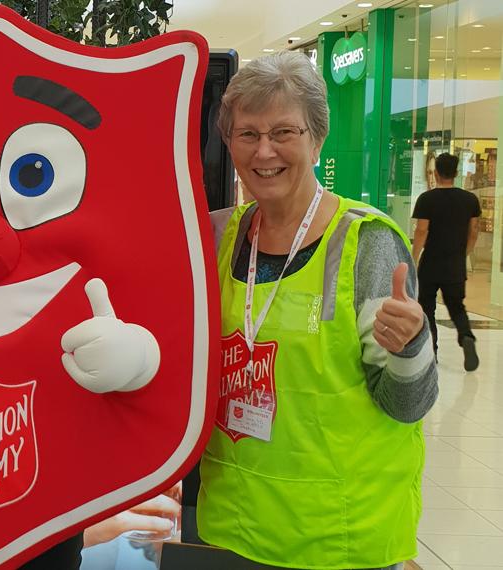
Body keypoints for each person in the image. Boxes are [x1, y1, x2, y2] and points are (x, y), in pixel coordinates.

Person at [198, 52, 438, 569]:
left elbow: (408, 404)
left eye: (284, 132)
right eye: (247, 134)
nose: (265, 152)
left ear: (317, 139)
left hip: (342, 534)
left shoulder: (366, 243)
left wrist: (411, 347)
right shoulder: (216, 235)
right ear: (229, 142)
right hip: (236, 523)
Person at [412, 151, 481, 371]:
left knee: (427, 308)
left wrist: (414, 258)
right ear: (456, 172)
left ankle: (431, 349)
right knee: (457, 307)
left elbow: (421, 231)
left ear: (436, 173)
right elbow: (474, 230)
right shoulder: (470, 200)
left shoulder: (427, 199)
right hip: (455, 264)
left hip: (431, 263)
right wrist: (465, 253)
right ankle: (466, 336)